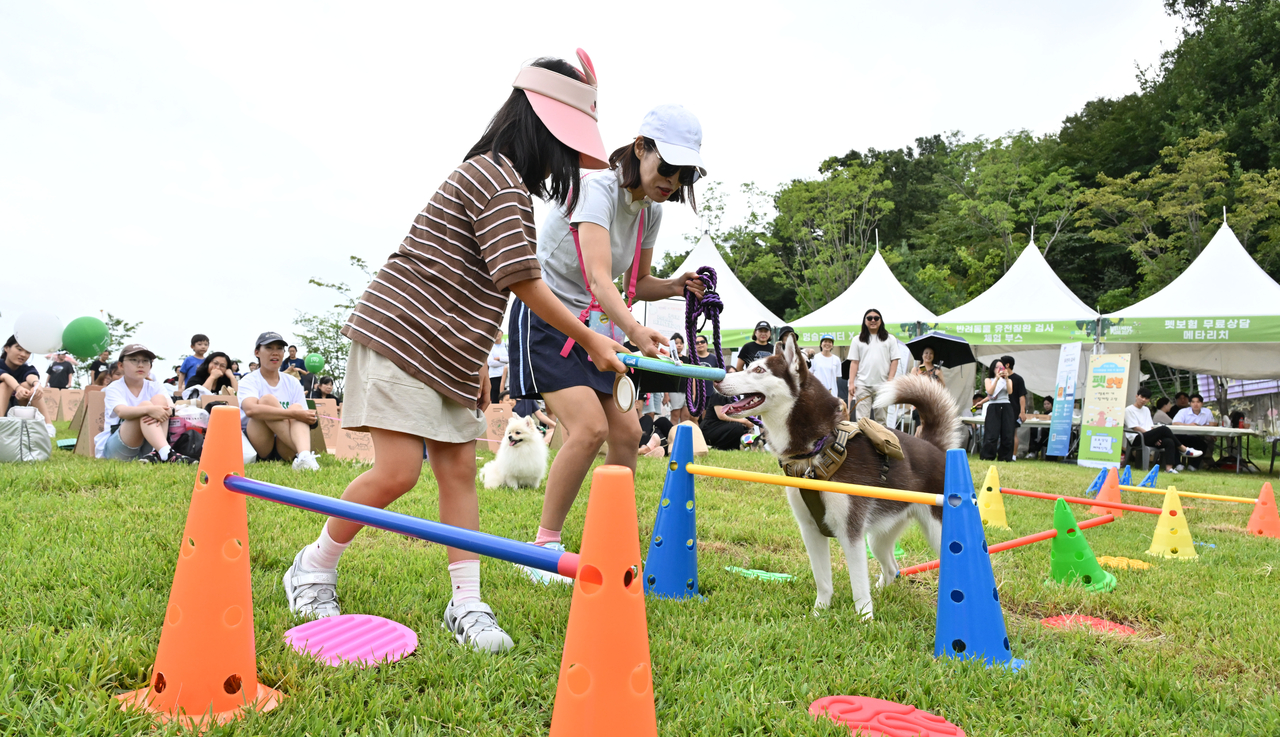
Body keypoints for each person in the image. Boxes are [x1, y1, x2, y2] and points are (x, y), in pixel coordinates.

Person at [282, 52, 628, 655]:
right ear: (544, 129)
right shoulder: (494, 178)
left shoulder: (509, 187)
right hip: (402, 333)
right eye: (570, 146)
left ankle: (466, 602)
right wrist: (594, 337)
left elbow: (481, 292)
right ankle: (312, 566)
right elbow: (522, 280)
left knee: (459, 471)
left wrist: (471, 371)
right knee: (397, 473)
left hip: (450, 349)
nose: (572, 162)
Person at [508, 102, 706, 587]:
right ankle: (542, 547)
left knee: (626, 433)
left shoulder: (650, 212)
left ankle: (610, 539)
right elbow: (600, 278)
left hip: (596, 327)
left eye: (683, 175)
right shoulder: (595, 187)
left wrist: (679, 284)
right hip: (546, 319)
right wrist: (636, 333)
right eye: (667, 168)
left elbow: (634, 284)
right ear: (641, 149)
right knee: (589, 428)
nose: (673, 182)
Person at [93, 344, 193, 464]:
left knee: (159, 399)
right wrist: (148, 410)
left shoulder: (155, 386)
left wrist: (158, 410)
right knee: (146, 405)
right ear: (121, 365)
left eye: (145, 361)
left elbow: (171, 408)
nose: (140, 365)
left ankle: (159, 451)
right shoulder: (114, 387)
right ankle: (166, 452)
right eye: (134, 360)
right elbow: (121, 412)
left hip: (148, 446)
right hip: (119, 448)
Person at [239, 332, 320, 471]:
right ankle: (304, 454)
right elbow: (251, 410)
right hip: (259, 443)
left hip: (285, 448)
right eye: (269, 348)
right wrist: (293, 414)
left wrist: (298, 413)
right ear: (257, 352)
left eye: (279, 349)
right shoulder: (249, 380)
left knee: (298, 406)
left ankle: (304, 456)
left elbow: (303, 415)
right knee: (267, 400)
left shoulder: (293, 382)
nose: (275, 353)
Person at [1125, 387, 1202, 474]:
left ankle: (1169, 469)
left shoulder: (1146, 409)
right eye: (1142, 397)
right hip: (1137, 438)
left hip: (1148, 436)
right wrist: (1153, 436)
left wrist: (1155, 437)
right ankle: (1183, 449)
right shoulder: (1129, 410)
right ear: (1136, 396)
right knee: (1164, 429)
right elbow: (1135, 428)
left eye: (1146, 398)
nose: (1143, 400)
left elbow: (1150, 426)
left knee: (1169, 441)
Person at [847, 309, 899, 423]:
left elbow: (894, 360)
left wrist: (890, 381)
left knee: (882, 420)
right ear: (865, 321)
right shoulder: (857, 339)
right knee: (862, 421)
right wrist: (851, 383)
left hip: (883, 385)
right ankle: (863, 441)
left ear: (881, 321)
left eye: (876, 318)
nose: (873, 320)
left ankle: (882, 441)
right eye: (869, 318)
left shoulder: (890, 339)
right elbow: (854, 362)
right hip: (863, 385)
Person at [1, 336, 57, 434]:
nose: (23, 354)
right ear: (6, 348)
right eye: (19, 349)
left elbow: (31, 375)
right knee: (6, 385)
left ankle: (48, 426)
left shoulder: (26, 368)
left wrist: (36, 384)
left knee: (28, 386)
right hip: (3, 409)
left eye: (27, 352)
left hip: (18, 411)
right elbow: (6, 377)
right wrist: (18, 388)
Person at [981, 358, 1016, 462]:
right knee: (991, 434)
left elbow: (1010, 391)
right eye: (996, 367)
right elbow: (990, 392)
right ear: (992, 368)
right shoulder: (989, 380)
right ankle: (988, 456)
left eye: (1001, 367)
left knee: (1007, 434)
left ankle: (1005, 457)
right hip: (993, 406)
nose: (999, 369)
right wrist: (996, 379)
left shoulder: (1008, 380)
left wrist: (1005, 378)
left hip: (1006, 406)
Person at [1172, 393, 1214, 469]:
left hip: (1197, 436)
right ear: (1190, 403)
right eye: (1193, 402)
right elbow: (1175, 423)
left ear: (1202, 403)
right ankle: (1178, 464)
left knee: (1203, 445)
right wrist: (1189, 425)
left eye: (1198, 402)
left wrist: (1200, 426)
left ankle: (1193, 466)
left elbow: (1212, 424)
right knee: (1173, 441)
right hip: (1182, 435)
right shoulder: (1183, 411)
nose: (1195, 404)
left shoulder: (1207, 412)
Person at [1000, 355, 1028, 460]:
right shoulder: (999, 378)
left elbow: (1022, 396)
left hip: (1013, 409)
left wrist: (1022, 411)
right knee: (1002, 433)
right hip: (1001, 408)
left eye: (1001, 364)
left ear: (1007, 365)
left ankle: (1013, 455)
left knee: (1013, 432)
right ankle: (1003, 453)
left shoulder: (1018, 379)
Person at [666, 333, 692, 425]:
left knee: (686, 416)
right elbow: (666, 377)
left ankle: (682, 438)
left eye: (681, 343)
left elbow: (691, 376)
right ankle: (672, 437)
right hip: (674, 390)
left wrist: (694, 393)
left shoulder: (687, 359)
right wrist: (666, 394)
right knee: (675, 416)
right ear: (672, 345)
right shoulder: (669, 359)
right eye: (676, 343)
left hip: (686, 391)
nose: (679, 345)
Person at [486, 332, 509, 404]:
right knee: (495, 399)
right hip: (494, 376)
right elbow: (490, 363)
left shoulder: (506, 346)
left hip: (506, 377)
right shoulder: (489, 346)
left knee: (506, 398)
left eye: (498, 331)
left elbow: (511, 359)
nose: (497, 333)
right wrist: (505, 362)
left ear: (502, 333)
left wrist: (499, 358)